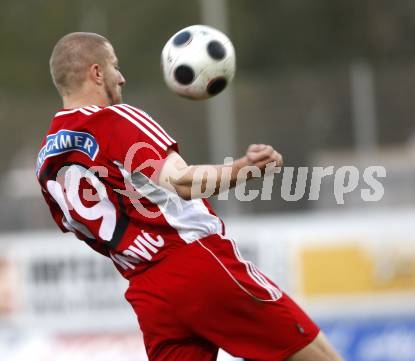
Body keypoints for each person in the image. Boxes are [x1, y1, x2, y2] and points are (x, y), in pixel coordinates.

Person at [37, 32, 343, 361]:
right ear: (96, 73)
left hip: (148, 294)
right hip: (197, 264)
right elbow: (182, 182)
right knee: (319, 357)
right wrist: (246, 169)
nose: (121, 77)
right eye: (115, 66)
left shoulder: (46, 162)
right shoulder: (114, 120)